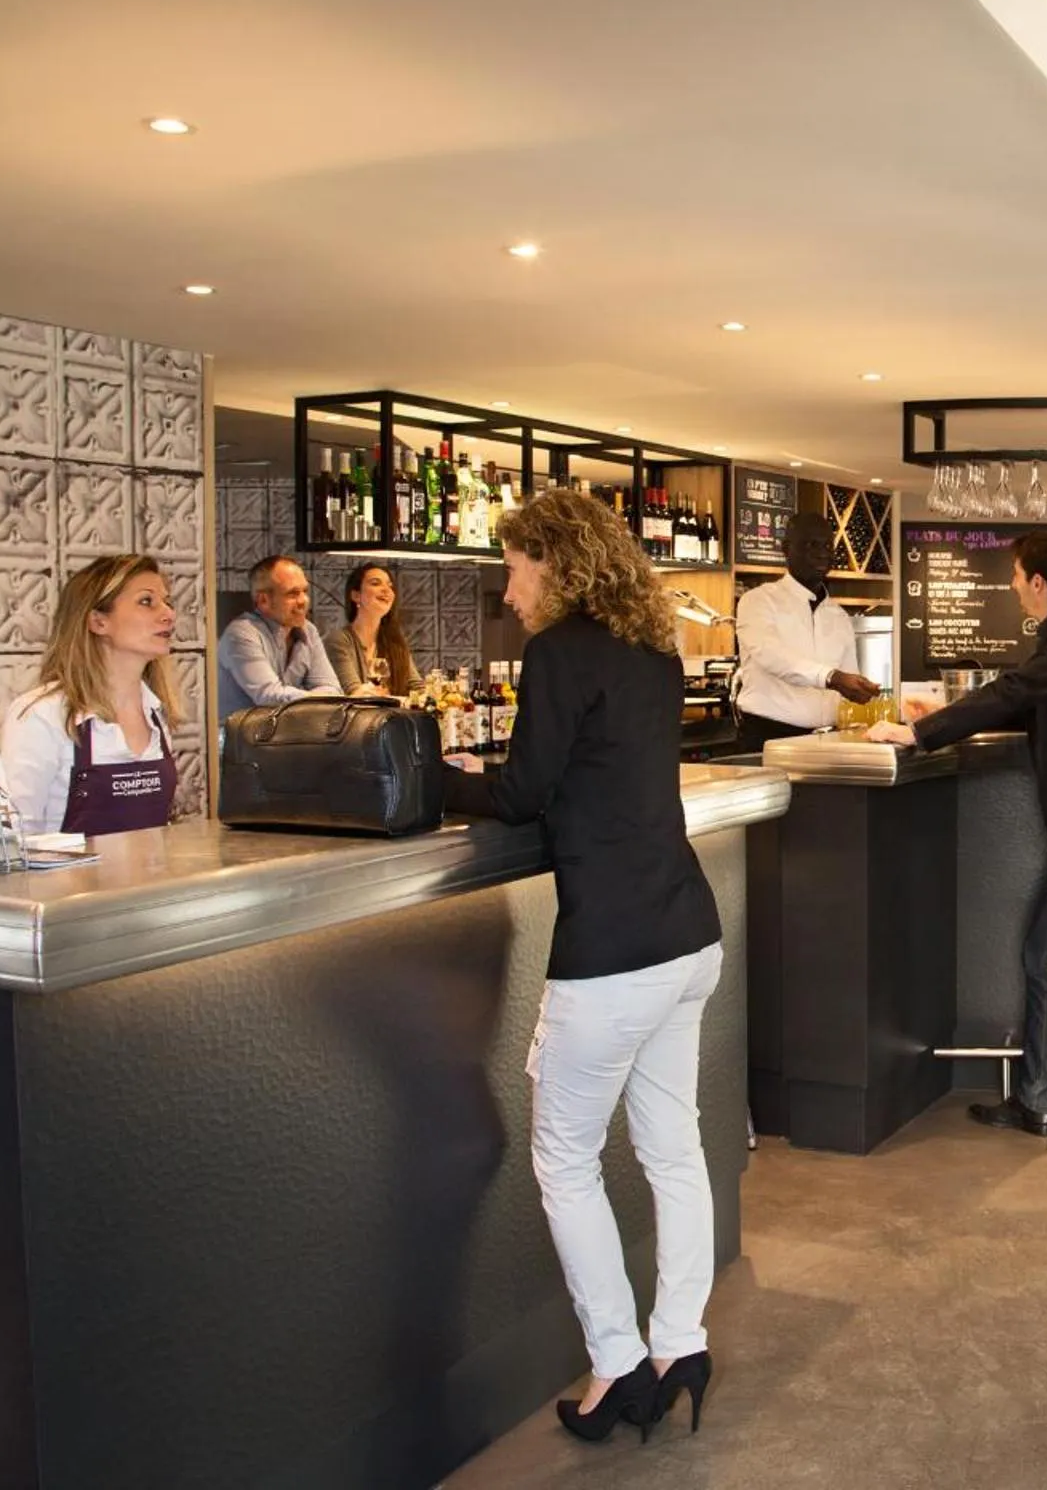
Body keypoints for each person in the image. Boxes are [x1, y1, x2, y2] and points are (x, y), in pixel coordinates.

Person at [444, 489, 724, 1443]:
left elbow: (523, 792)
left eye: (516, 564)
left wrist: (415, 769)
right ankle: (678, 1342)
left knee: (564, 1158)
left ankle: (614, 1363)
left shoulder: (559, 651)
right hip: (688, 934)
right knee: (672, 1150)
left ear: (556, 562)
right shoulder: (652, 648)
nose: (508, 583)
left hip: (612, 951)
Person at [866, 529, 1047, 1156]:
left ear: (1037, 582)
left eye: (1015, 573)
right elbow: (1022, 702)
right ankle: (1038, 1101)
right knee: (1042, 953)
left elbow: (1017, 691)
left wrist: (919, 734)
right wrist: (930, 720)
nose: (1011, 584)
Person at [0, 553, 182, 837]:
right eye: (147, 601)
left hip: (148, 881)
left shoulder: (156, 716)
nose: (169, 614)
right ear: (98, 621)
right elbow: (13, 837)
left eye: (167, 601)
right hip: (68, 881)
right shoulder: (43, 716)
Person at [730, 512, 875, 752]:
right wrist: (832, 678)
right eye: (812, 545)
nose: (822, 553)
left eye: (828, 545)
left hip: (827, 741)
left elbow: (848, 675)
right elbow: (772, 656)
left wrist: (862, 692)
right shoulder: (757, 601)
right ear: (786, 549)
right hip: (769, 737)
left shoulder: (838, 615)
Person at [217, 554, 340, 717]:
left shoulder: (309, 630)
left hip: (288, 736)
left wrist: (311, 697)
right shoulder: (241, 633)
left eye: (305, 591)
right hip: (240, 739)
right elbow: (268, 696)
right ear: (263, 601)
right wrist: (315, 697)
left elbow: (333, 689)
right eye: (293, 594)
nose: (303, 600)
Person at [325, 562, 419, 697]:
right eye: (376, 583)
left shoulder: (395, 641)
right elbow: (356, 693)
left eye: (390, 586)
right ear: (356, 595)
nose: (386, 590)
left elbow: (417, 688)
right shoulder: (338, 640)